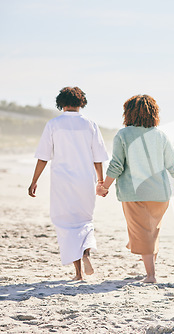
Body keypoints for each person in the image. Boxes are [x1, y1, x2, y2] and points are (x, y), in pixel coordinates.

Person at [96, 94, 174, 284]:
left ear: (128, 113)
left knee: (143, 233)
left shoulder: (123, 135)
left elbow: (117, 165)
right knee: (152, 231)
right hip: (160, 194)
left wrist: (104, 186)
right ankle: (149, 266)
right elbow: (172, 163)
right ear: (153, 113)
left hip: (134, 193)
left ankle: (151, 275)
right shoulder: (160, 135)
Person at [28, 86, 109, 281]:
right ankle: (86, 252)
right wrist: (101, 181)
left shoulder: (54, 124)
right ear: (81, 103)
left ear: (61, 103)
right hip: (85, 181)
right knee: (85, 220)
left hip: (62, 182)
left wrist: (34, 181)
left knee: (65, 224)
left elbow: (43, 157)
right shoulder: (90, 124)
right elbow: (98, 158)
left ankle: (78, 273)